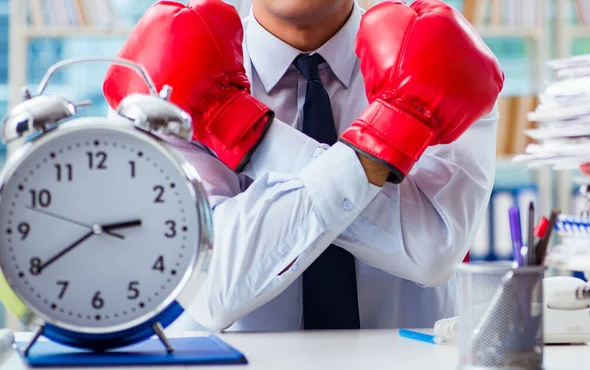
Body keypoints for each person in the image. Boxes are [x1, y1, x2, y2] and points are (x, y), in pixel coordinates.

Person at [102, 0, 504, 332]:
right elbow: (208, 287)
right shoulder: (161, 76)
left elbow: (433, 251)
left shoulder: (437, 49)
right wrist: (384, 144)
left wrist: (240, 129)